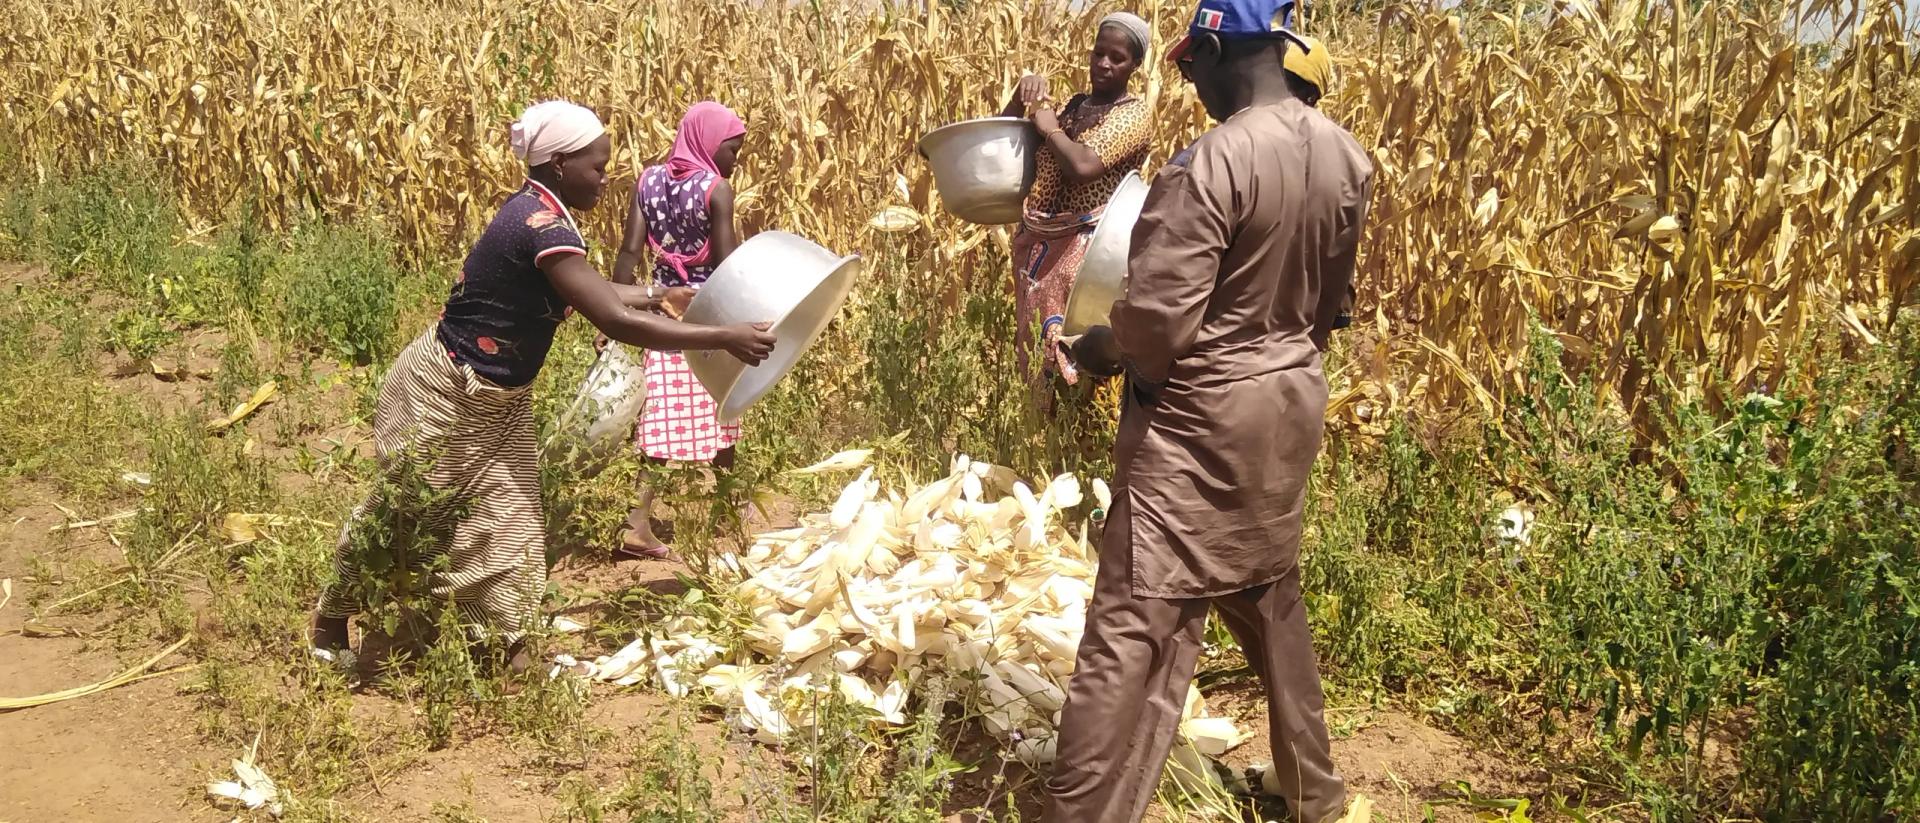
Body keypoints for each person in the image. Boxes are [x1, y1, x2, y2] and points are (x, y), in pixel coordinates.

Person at [1048, 1, 1373, 821]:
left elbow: (1158, 323)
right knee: (1270, 597)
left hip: (1197, 429)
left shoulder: (1211, 162)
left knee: (1130, 626)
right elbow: (1329, 308)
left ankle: (1080, 811)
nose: (1190, 81)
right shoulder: (1347, 157)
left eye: (1194, 65)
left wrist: (1099, 351)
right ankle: (1316, 795)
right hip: (1287, 409)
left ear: (1227, 49)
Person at [311, 101, 777, 670]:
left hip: (499, 399)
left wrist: (662, 295)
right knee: (405, 508)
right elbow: (612, 317)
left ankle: (512, 656)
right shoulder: (537, 224)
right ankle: (332, 620)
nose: (606, 178)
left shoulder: (545, 213)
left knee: (516, 527)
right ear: (558, 164)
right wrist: (724, 333)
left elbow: (598, 291)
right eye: (597, 166)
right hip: (442, 392)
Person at [608, 101, 750, 558]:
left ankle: (637, 522)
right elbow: (727, 264)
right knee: (725, 407)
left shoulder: (647, 182)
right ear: (710, 142)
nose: (735, 158)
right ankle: (729, 506)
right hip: (709, 317)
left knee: (661, 419)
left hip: (659, 315)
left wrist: (613, 311)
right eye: (732, 148)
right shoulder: (716, 189)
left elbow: (630, 252)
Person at [999, 12, 1154, 402]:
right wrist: (1022, 102)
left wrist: (1049, 127)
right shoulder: (1073, 107)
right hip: (1042, 248)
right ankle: (1042, 434)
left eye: (1116, 58)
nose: (1103, 63)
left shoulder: (1132, 115)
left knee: (1076, 354)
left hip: (1089, 257)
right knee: (1037, 348)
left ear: (1135, 65)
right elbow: (1006, 149)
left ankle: (1076, 443)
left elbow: (1084, 165)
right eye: (1098, 53)